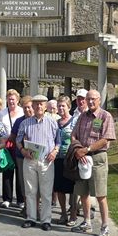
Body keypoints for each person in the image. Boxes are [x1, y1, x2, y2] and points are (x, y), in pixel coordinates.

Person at [70, 89, 116, 236]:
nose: (90, 102)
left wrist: (87, 149)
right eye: (88, 99)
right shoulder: (83, 116)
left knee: (100, 194)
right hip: (82, 158)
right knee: (83, 192)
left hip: (97, 158)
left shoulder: (105, 116)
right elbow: (73, 135)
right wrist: (78, 149)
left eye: (93, 99)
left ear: (99, 100)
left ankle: (104, 226)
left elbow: (106, 139)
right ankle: (86, 221)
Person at [16, 94, 60, 231]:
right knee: (30, 191)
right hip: (30, 160)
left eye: (41, 104)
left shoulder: (53, 122)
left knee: (46, 192)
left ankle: (46, 220)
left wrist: (55, 152)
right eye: (36, 104)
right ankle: (31, 217)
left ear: (46, 106)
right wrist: (23, 151)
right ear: (33, 106)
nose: (39, 106)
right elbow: (18, 140)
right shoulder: (25, 123)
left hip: (46, 160)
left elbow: (58, 141)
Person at [0, 89, 24, 209]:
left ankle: (20, 199)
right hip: (6, 145)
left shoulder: (22, 112)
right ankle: (7, 198)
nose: (11, 101)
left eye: (13, 99)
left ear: (17, 100)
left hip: (19, 144)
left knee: (20, 172)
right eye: (9, 99)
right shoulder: (2, 113)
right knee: (7, 171)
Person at [53, 96, 76, 225]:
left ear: (69, 107)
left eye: (63, 106)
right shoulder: (55, 123)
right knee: (59, 188)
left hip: (70, 159)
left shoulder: (74, 122)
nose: (61, 108)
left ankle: (72, 213)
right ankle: (63, 213)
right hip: (58, 159)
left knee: (72, 189)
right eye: (59, 106)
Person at [10, 95, 33, 216]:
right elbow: (13, 137)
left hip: (36, 156)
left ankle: (35, 207)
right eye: (25, 108)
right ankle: (26, 206)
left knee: (35, 182)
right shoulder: (19, 121)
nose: (28, 110)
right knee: (23, 182)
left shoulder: (38, 120)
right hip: (21, 155)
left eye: (29, 107)